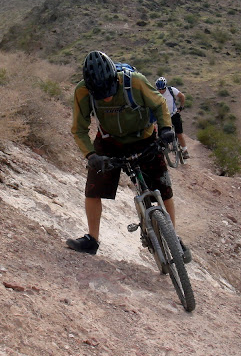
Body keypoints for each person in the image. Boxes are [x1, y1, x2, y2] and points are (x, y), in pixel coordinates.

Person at [66, 51, 192, 263]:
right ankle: (92, 239)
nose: (106, 97)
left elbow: (159, 104)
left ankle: (173, 237)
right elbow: (79, 129)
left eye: (109, 91)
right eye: (100, 94)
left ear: (114, 79)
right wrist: (91, 155)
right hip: (109, 141)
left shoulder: (134, 82)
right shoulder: (83, 91)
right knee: (93, 189)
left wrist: (166, 129)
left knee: (163, 188)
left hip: (144, 138)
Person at [155, 77, 189, 159]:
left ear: (165, 87)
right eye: (159, 89)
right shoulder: (155, 94)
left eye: (163, 89)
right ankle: (163, 153)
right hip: (163, 117)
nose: (161, 91)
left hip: (174, 114)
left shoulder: (171, 90)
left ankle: (185, 151)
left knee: (179, 133)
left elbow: (182, 96)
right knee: (161, 136)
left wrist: (181, 107)